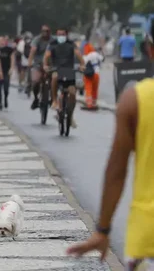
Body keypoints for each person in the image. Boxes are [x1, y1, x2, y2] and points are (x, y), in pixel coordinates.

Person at [66, 82, 150, 267]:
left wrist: (102, 230)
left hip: (148, 237)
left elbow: (117, 171)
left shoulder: (135, 100)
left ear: (150, 52)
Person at [43, 27, 84, 126]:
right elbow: (46, 56)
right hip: (57, 69)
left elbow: (78, 54)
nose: (60, 36)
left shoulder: (71, 44)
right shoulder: (52, 44)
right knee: (54, 77)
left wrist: (82, 64)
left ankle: (70, 116)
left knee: (72, 93)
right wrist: (45, 65)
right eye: (58, 34)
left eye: (62, 34)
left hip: (69, 70)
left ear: (66, 35)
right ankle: (54, 101)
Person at [28, 25, 54, 109]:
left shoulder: (53, 40)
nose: (45, 33)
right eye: (43, 31)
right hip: (38, 64)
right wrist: (30, 62)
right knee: (35, 81)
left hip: (50, 64)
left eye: (47, 31)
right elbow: (33, 50)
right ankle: (36, 98)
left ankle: (53, 98)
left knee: (54, 80)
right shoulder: (37, 39)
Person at [0, 36, 15, 111]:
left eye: (2, 40)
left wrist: (12, 68)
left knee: (6, 88)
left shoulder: (9, 49)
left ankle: (6, 98)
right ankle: (0, 104)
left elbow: (12, 58)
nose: (1, 42)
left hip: (6, 70)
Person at [83, 43, 104, 110]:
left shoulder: (86, 56)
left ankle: (89, 104)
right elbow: (102, 59)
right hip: (96, 74)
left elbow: (83, 64)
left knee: (88, 89)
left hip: (88, 75)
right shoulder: (96, 54)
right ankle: (94, 103)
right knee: (95, 89)